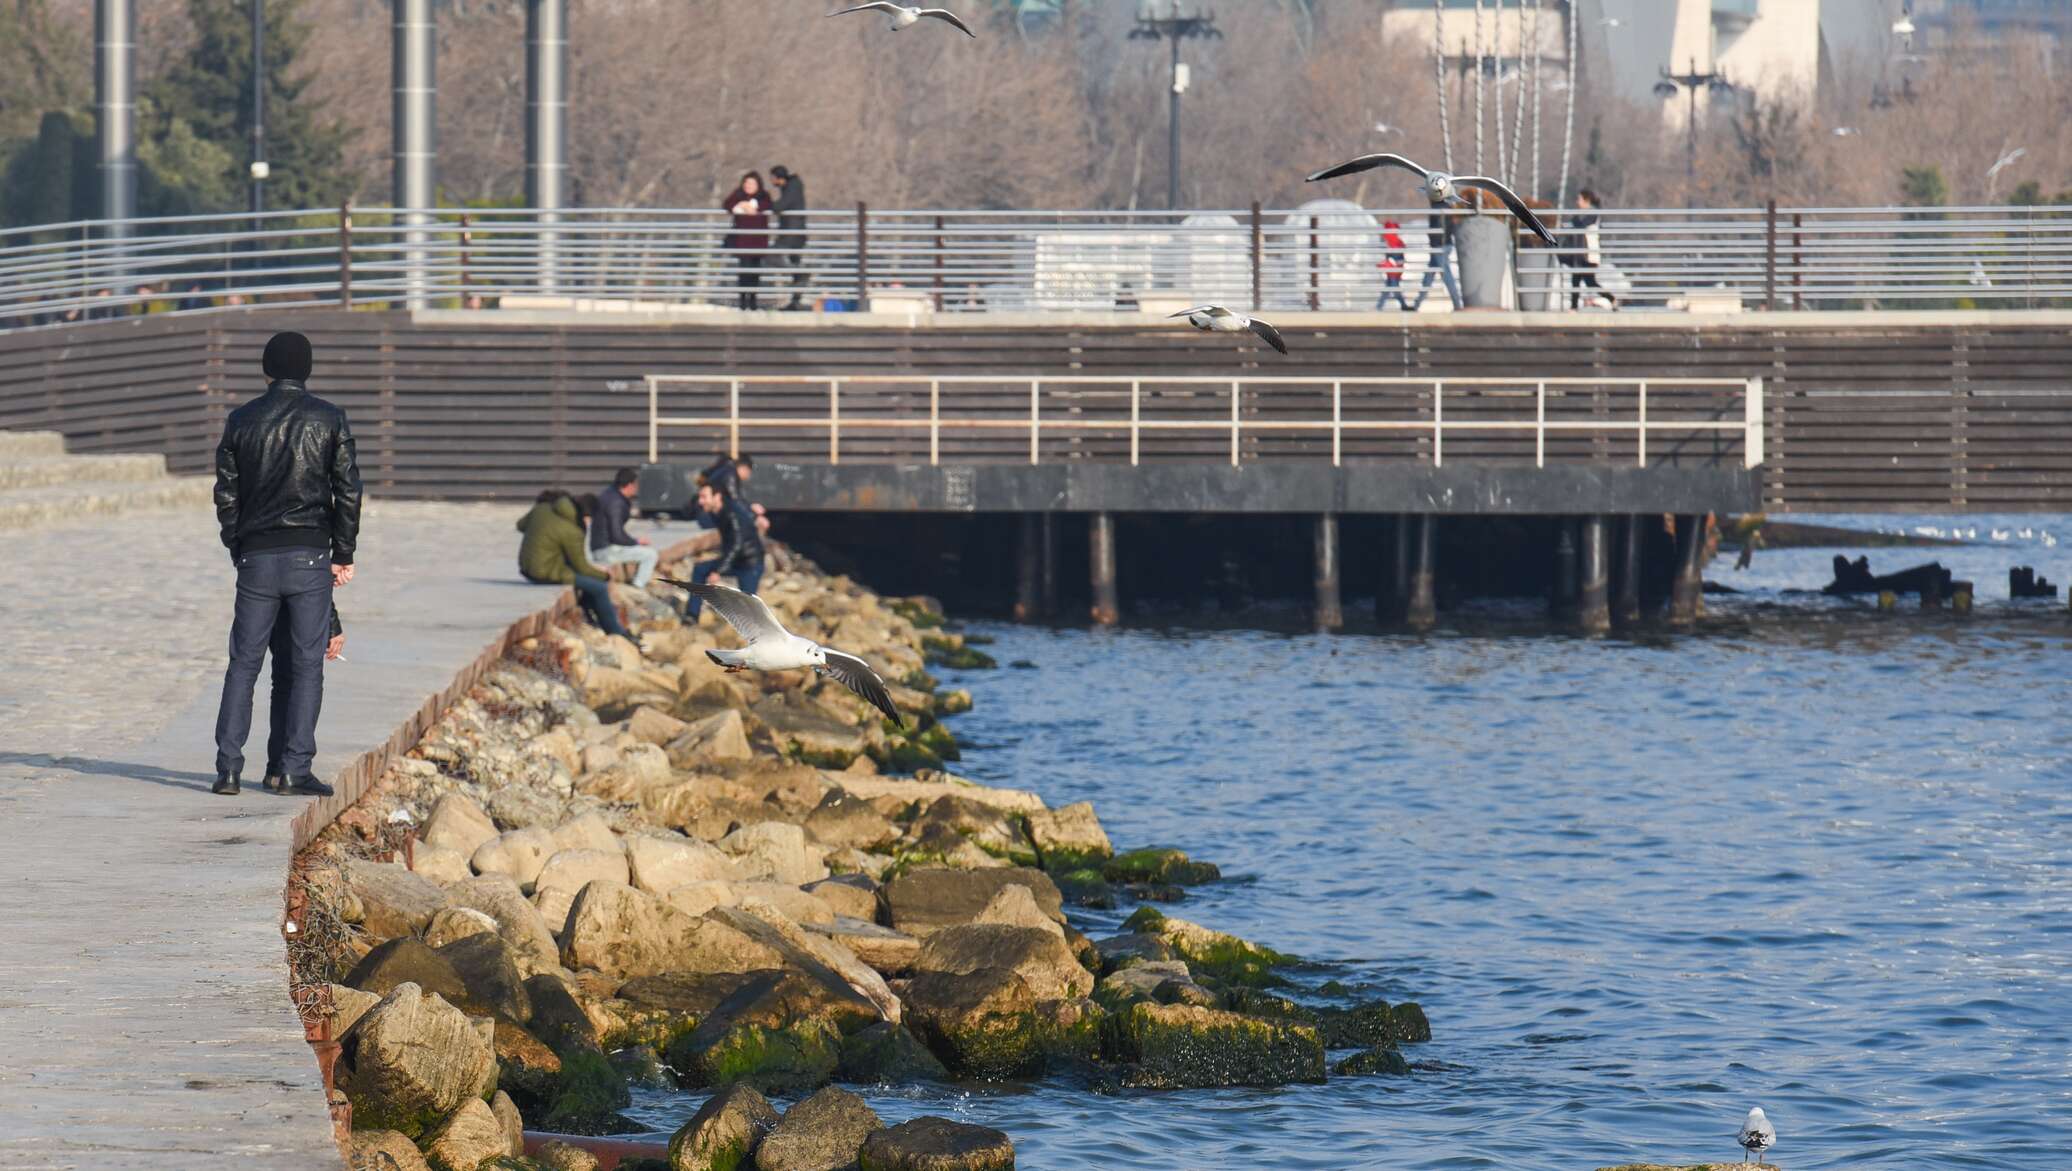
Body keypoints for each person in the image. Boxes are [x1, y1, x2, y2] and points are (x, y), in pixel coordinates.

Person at [211, 330, 362, 798]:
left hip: (256, 556)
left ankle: (229, 770)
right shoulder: (329, 418)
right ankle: (293, 768)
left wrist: (238, 545)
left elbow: (226, 494)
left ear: (267, 369)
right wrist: (343, 551)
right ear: (307, 369)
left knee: (244, 664)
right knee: (305, 666)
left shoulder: (241, 420)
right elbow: (348, 490)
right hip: (309, 556)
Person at [518, 490, 632, 640]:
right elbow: (581, 567)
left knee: (588, 582)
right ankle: (616, 631)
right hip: (543, 572)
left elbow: (521, 525)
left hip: (526, 567)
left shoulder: (543, 508)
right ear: (586, 516)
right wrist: (605, 575)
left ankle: (591, 616)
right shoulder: (572, 531)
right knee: (599, 587)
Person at [263, 604, 345, 792]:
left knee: (282, 678)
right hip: (304, 590)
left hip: (265, 588)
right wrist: (333, 624)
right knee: (306, 676)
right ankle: (294, 769)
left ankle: (275, 769)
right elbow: (317, 575)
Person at [682, 480, 765, 621]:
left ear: (717, 497)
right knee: (700, 570)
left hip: (749, 563)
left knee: (748, 608)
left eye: (704, 497)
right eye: (700, 497)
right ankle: (692, 616)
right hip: (733, 559)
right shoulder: (716, 511)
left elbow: (737, 545)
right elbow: (687, 513)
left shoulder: (731, 514)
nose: (701, 502)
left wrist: (718, 571)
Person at [589, 467, 658, 587]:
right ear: (630, 485)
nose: (636, 489)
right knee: (651, 554)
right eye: (636, 485)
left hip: (598, 548)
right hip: (604, 551)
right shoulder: (616, 503)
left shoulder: (609, 494)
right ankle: (638, 586)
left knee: (641, 550)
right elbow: (617, 536)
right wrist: (636, 541)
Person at [722, 171, 774, 311]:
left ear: (758, 184)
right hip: (742, 240)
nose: (748, 185)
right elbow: (727, 204)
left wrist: (754, 206)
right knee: (744, 270)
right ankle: (743, 300)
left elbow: (768, 205)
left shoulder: (764, 195)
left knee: (755, 271)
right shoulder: (738, 194)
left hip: (758, 240)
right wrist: (741, 205)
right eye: (746, 182)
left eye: (751, 183)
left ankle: (753, 300)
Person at [1564, 188, 1614, 310]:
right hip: (1581, 253)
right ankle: (1573, 307)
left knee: (1589, 281)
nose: (1577, 202)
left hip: (1588, 254)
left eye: (1579, 199)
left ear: (1586, 200)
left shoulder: (1592, 213)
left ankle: (1611, 298)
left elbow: (1580, 224)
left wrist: (1574, 219)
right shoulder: (1586, 214)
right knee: (1576, 279)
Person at [770, 165, 809, 310]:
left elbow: (780, 206)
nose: (772, 181)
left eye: (772, 178)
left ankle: (801, 273)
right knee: (795, 267)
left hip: (792, 233)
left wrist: (763, 204)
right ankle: (795, 302)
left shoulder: (792, 187)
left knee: (772, 256)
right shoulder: (791, 186)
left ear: (779, 178)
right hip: (794, 232)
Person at [1409, 209, 1462, 311]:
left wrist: (1434, 241)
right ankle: (1417, 304)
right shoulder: (1447, 207)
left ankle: (1457, 305)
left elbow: (1439, 228)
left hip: (1439, 246)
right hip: (1440, 245)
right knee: (1429, 276)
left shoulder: (1439, 207)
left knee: (1446, 276)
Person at [1377, 218, 1411, 310]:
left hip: (1392, 268)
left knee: (1390, 287)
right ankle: (1402, 305)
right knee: (1393, 286)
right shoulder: (1395, 240)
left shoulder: (1387, 239)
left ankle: (1379, 306)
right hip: (1395, 268)